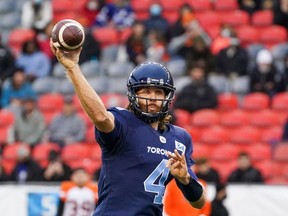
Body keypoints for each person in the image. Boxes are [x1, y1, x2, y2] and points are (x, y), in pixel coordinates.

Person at [50, 40, 206, 215]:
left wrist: (185, 179)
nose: (152, 97)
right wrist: (73, 68)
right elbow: (100, 116)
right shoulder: (124, 122)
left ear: (167, 97)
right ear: (133, 95)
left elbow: (199, 202)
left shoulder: (180, 138)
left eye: (158, 92)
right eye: (145, 91)